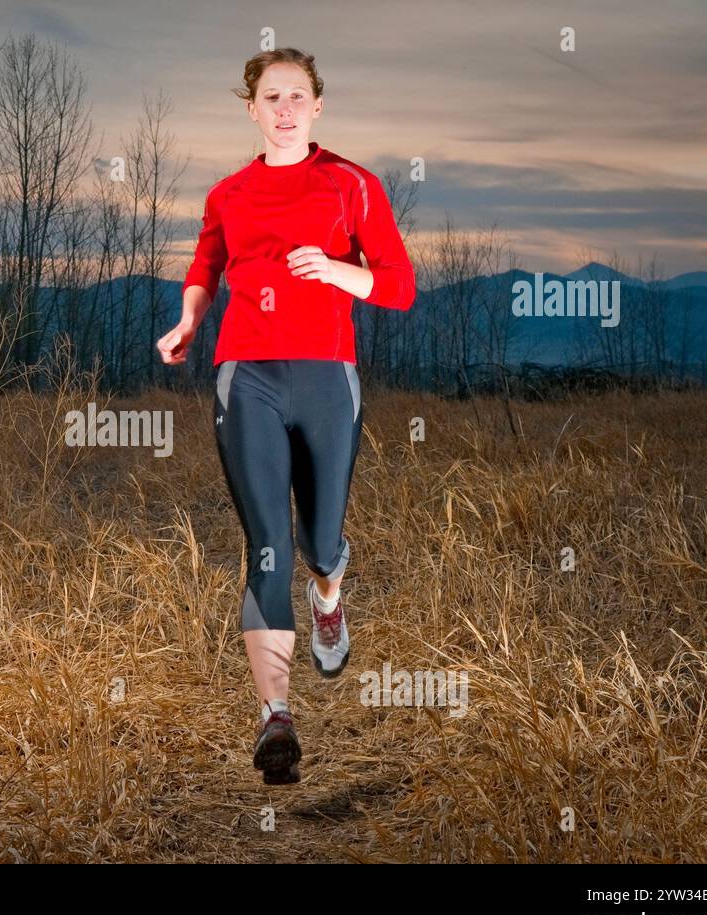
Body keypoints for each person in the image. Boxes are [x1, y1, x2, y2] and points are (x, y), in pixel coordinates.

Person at [157, 48, 417, 784]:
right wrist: (187, 323)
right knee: (267, 543)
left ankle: (329, 595)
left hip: (329, 378)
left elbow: (399, 287)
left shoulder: (353, 185)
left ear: (317, 106)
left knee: (318, 539)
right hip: (249, 376)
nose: (284, 108)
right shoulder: (229, 194)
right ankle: (276, 718)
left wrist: (336, 268)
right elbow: (205, 269)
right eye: (271, 97)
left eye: (297, 96)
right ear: (252, 109)